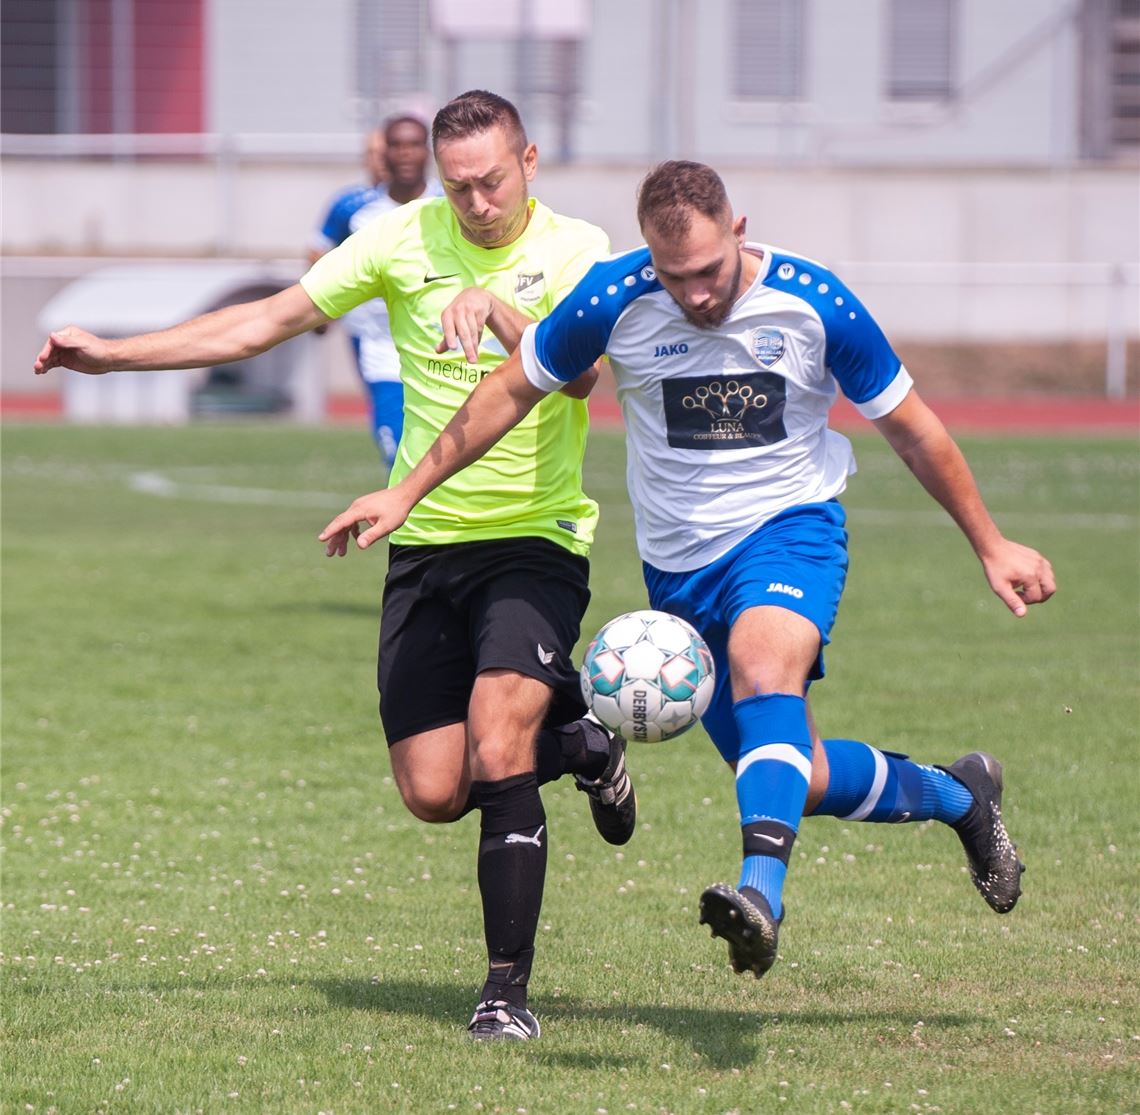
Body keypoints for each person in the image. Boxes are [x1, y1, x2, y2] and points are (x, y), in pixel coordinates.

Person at [318, 159, 1057, 982]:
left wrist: (991, 542)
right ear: (648, 258)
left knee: (763, 663)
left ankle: (761, 899)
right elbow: (506, 392)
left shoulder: (817, 303)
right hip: (680, 570)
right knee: (791, 771)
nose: (697, 295)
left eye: (708, 272)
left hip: (790, 532)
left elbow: (914, 428)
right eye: (675, 278)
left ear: (738, 231)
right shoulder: (612, 297)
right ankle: (960, 795)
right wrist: (407, 489)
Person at [34, 90, 635, 1042]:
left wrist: (504, 312)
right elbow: (265, 321)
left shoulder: (578, 249)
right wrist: (115, 356)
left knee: (498, 737)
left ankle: (504, 994)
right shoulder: (401, 238)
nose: (475, 204)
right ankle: (587, 747)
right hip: (424, 543)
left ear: (529, 162)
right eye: (457, 186)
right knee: (435, 790)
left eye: (490, 181)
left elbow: (585, 377)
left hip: (536, 539)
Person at [308, 115, 444, 466]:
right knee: (396, 445)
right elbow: (320, 251)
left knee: (444, 442)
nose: (405, 154)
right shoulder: (355, 208)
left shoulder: (449, 203)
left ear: (427, 151)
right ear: (383, 152)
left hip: (441, 342)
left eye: (414, 145)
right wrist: (321, 310)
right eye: (396, 146)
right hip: (376, 341)